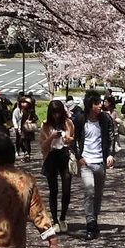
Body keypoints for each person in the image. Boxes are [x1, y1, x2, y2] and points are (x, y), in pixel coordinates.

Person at [75, 90, 116, 240]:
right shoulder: (80, 120)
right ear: (90, 105)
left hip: (100, 162)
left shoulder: (105, 119)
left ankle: (95, 219)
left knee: (98, 194)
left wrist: (110, 154)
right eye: (97, 103)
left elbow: (111, 137)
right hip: (86, 162)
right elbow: (74, 141)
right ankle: (90, 223)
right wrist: (79, 157)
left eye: (100, 102)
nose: (100, 105)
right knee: (89, 191)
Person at [38, 99, 75, 231]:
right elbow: (42, 146)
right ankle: (55, 221)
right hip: (51, 157)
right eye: (54, 113)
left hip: (64, 155)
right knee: (53, 190)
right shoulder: (46, 125)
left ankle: (63, 218)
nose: (56, 116)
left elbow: (73, 139)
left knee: (66, 189)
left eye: (58, 113)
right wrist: (52, 137)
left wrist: (68, 139)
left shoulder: (68, 123)